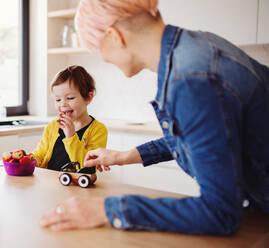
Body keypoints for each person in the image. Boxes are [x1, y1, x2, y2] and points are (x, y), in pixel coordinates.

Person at [39, 0, 269, 234]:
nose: (104, 59)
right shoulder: (195, 47)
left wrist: (107, 210)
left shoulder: (190, 79)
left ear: (115, 36)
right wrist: (124, 156)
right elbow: (201, 135)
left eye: (99, 50)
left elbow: (219, 213)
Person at [33, 65, 108, 171]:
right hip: (50, 183)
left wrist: (71, 137)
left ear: (88, 97)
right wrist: (26, 160)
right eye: (58, 100)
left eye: (70, 98)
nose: (63, 104)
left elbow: (89, 166)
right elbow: (39, 155)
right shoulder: (52, 127)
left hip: (78, 186)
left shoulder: (98, 130)